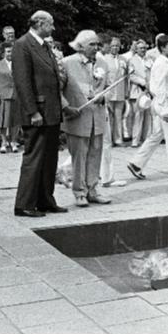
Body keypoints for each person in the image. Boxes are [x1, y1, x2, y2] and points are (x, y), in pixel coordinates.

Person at [12, 11, 68, 217]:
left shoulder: (44, 45)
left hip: (51, 111)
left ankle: (45, 200)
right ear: (40, 23)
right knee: (34, 158)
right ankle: (24, 204)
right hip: (38, 112)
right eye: (51, 24)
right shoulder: (23, 45)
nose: (53, 28)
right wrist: (32, 111)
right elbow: (23, 82)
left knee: (49, 159)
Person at [61, 31, 110, 207]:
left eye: (98, 44)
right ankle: (79, 192)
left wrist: (104, 97)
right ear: (80, 46)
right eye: (92, 44)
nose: (96, 48)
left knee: (96, 155)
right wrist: (66, 107)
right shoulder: (67, 63)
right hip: (77, 117)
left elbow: (109, 86)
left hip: (97, 118)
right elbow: (57, 90)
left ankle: (93, 190)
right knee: (79, 157)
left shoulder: (103, 63)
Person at [127, 34, 168, 180]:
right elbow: (158, 88)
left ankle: (136, 163)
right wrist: (164, 110)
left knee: (157, 135)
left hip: (163, 102)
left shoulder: (164, 62)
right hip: (166, 102)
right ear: (162, 48)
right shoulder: (161, 64)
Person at [0, 43, 20, 153]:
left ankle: (13, 141)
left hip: (16, 95)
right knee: (3, 120)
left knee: (15, 120)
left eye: (12, 51)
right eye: (8, 51)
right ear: (3, 53)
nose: (10, 54)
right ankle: (3, 142)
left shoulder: (19, 64)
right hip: (3, 96)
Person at [102, 37, 128, 146]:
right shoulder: (104, 59)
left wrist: (126, 90)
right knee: (109, 117)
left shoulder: (123, 59)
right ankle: (109, 140)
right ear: (109, 47)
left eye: (117, 46)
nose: (115, 48)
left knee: (118, 116)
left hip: (120, 91)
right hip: (109, 91)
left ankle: (118, 139)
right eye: (113, 46)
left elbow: (127, 77)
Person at [127, 39, 150, 147]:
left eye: (144, 48)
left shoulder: (149, 60)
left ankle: (146, 139)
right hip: (137, 91)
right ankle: (135, 140)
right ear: (136, 49)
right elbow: (131, 76)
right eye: (141, 48)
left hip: (148, 91)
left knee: (148, 116)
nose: (143, 50)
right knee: (137, 116)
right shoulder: (131, 60)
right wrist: (143, 82)